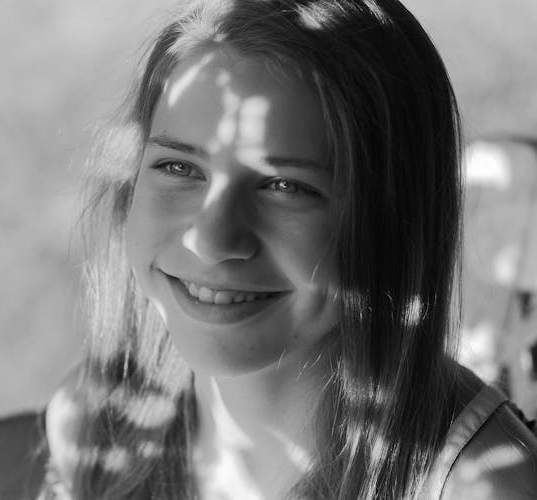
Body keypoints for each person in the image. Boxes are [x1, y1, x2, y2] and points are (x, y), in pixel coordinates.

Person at [40, 0, 537, 498]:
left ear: (394, 223)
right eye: (178, 168)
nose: (210, 241)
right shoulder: (98, 431)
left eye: (284, 186)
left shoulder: (485, 487)